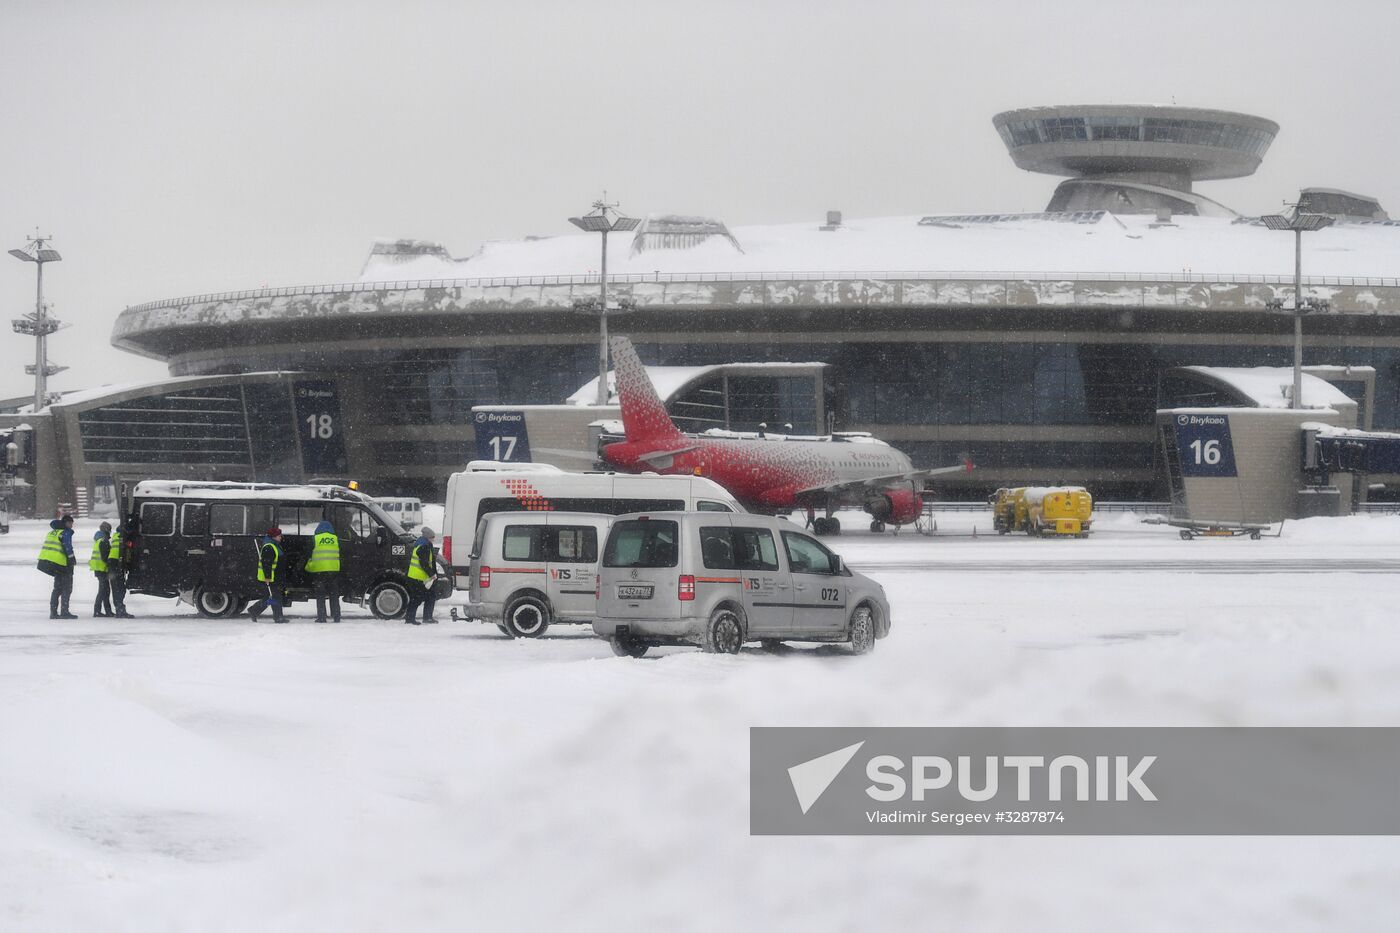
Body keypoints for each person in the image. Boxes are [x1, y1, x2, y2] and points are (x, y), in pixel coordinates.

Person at [36, 514, 78, 619]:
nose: (72, 525)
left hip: (51, 563)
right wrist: (72, 559)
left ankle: (53, 613)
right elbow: (67, 547)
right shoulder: (65, 532)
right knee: (67, 588)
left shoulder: (53, 532)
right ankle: (65, 612)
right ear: (66, 523)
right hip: (62, 564)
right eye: (71, 523)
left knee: (57, 589)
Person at [305, 519, 343, 623]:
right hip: (333, 571)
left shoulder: (315, 539)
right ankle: (336, 616)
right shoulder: (336, 539)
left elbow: (308, 553)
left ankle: (322, 617)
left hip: (319, 571)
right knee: (334, 595)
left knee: (320, 595)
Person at [247, 526, 287, 623]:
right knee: (274, 597)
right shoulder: (269, 547)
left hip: (275, 576)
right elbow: (266, 563)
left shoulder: (275, 545)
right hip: (270, 578)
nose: (280, 537)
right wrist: (268, 577)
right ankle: (278, 617)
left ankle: (254, 610)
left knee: (271, 597)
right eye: (279, 535)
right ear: (273, 537)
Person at [403, 526, 438, 625]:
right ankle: (410, 619)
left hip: (418, 576)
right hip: (418, 577)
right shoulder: (424, 546)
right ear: (428, 537)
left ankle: (426, 617)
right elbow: (424, 563)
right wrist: (432, 574)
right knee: (417, 598)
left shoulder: (421, 543)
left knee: (429, 596)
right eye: (432, 537)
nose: (433, 539)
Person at [107, 521, 134, 618]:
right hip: (117, 563)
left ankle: (119, 609)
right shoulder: (124, 537)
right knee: (120, 588)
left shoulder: (116, 535)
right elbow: (128, 550)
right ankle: (120, 610)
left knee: (117, 588)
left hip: (113, 562)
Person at [90, 521, 113, 617]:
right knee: (103, 590)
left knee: (105, 590)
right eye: (110, 530)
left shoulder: (99, 539)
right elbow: (105, 557)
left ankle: (106, 611)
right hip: (102, 569)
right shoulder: (103, 541)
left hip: (99, 568)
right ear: (107, 530)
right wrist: (111, 564)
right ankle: (97, 611)